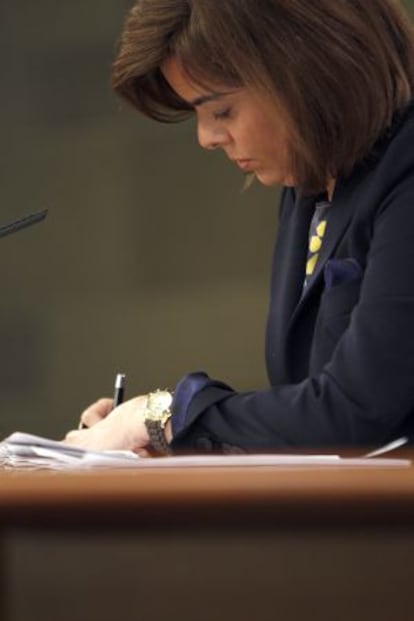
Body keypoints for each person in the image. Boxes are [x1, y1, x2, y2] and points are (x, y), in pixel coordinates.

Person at [65, 0, 414, 455]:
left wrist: (163, 417)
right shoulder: (307, 185)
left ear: (305, 74)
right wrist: (160, 430)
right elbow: (309, 409)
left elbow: (357, 411)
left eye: (222, 111)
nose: (206, 138)